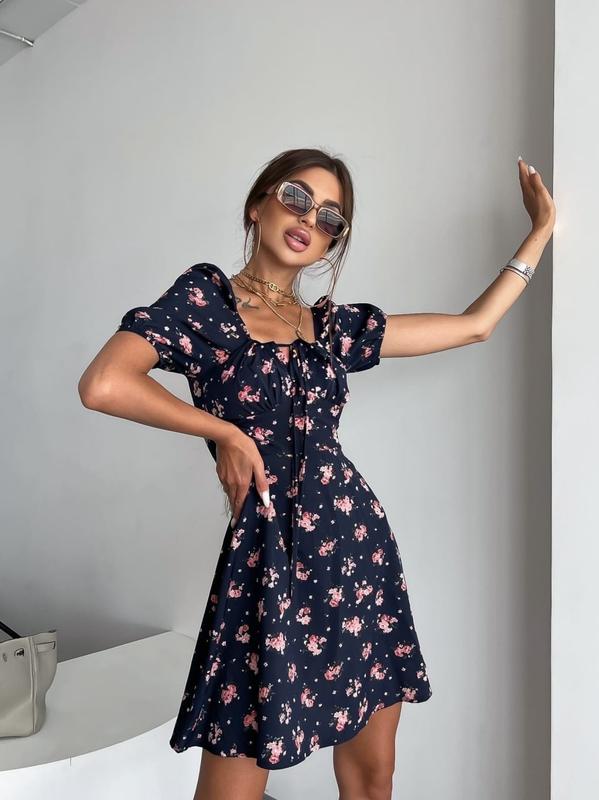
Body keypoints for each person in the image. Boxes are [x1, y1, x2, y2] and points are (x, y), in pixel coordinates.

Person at [78, 147, 556, 800]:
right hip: (268, 561)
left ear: (333, 242)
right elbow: (104, 383)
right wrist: (223, 430)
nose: (310, 218)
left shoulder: (329, 329)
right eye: (296, 197)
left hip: (358, 554)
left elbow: (474, 326)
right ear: (258, 205)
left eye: (329, 216)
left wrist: (539, 231)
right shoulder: (206, 301)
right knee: (231, 785)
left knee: (372, 778)